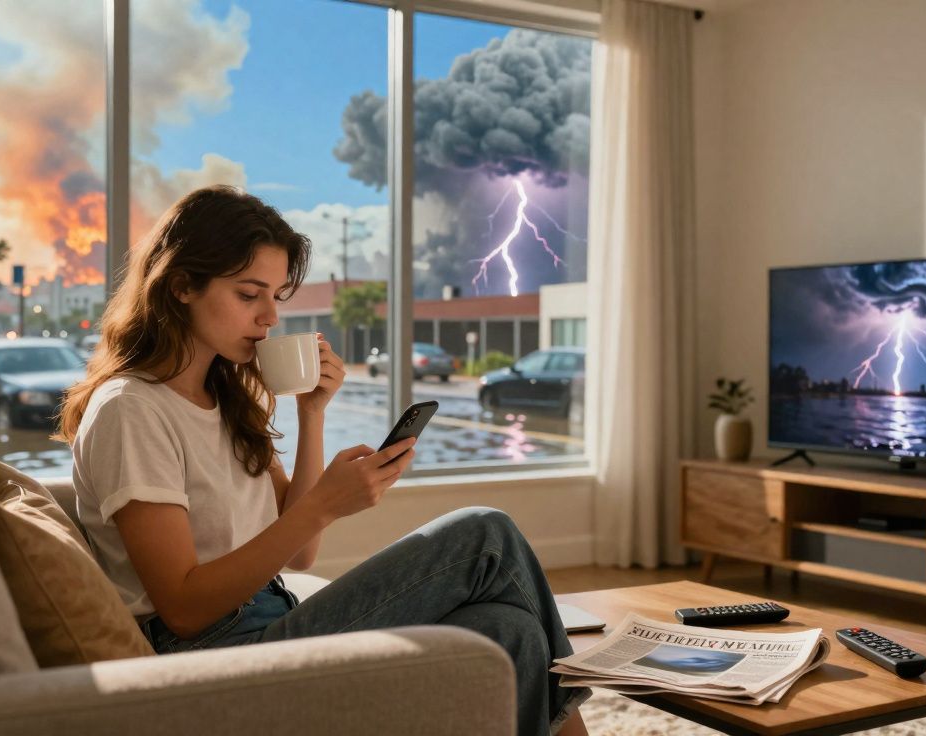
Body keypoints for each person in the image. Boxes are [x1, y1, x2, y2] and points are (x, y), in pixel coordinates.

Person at [56, 185, 590, 736]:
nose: (268, 317)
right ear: (182, 285)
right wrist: (323, 507)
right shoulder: (131, 410)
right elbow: (185, 610)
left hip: (270, 621)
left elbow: (301, 553)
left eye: (276, 297)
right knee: (485, 533)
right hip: (214, 659)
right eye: (249, 294)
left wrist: (313, 413)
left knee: (509, 631)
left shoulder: (223, 401)